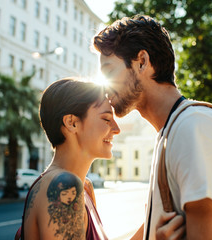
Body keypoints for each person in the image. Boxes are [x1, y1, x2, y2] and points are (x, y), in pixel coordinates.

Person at [93, 15, 212, 240]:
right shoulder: (170, 133)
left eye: (108, 71)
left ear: (142, 62)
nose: (104, 86)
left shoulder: (195, 128)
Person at [19, 77, 185, 240]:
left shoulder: (84, 187)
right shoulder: (64, 185)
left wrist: (150, 228)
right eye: (106, 119)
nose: (116, 129)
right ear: (72, 123)